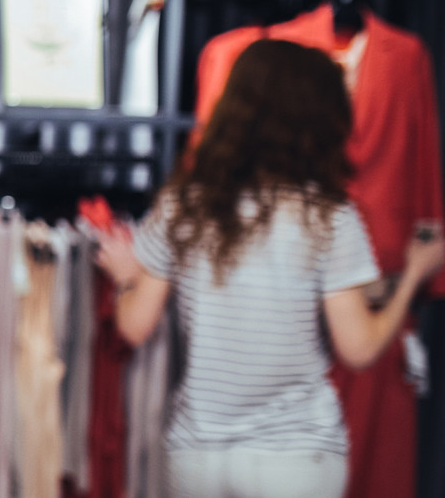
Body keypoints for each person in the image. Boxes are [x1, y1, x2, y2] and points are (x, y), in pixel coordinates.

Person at [97, 39, 445, 498]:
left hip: (199, 454)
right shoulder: (328, 217)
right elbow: (359, 348)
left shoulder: (183, 205)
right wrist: (415, 276)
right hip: (296, 456)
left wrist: (126, 280)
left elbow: (134, 325)